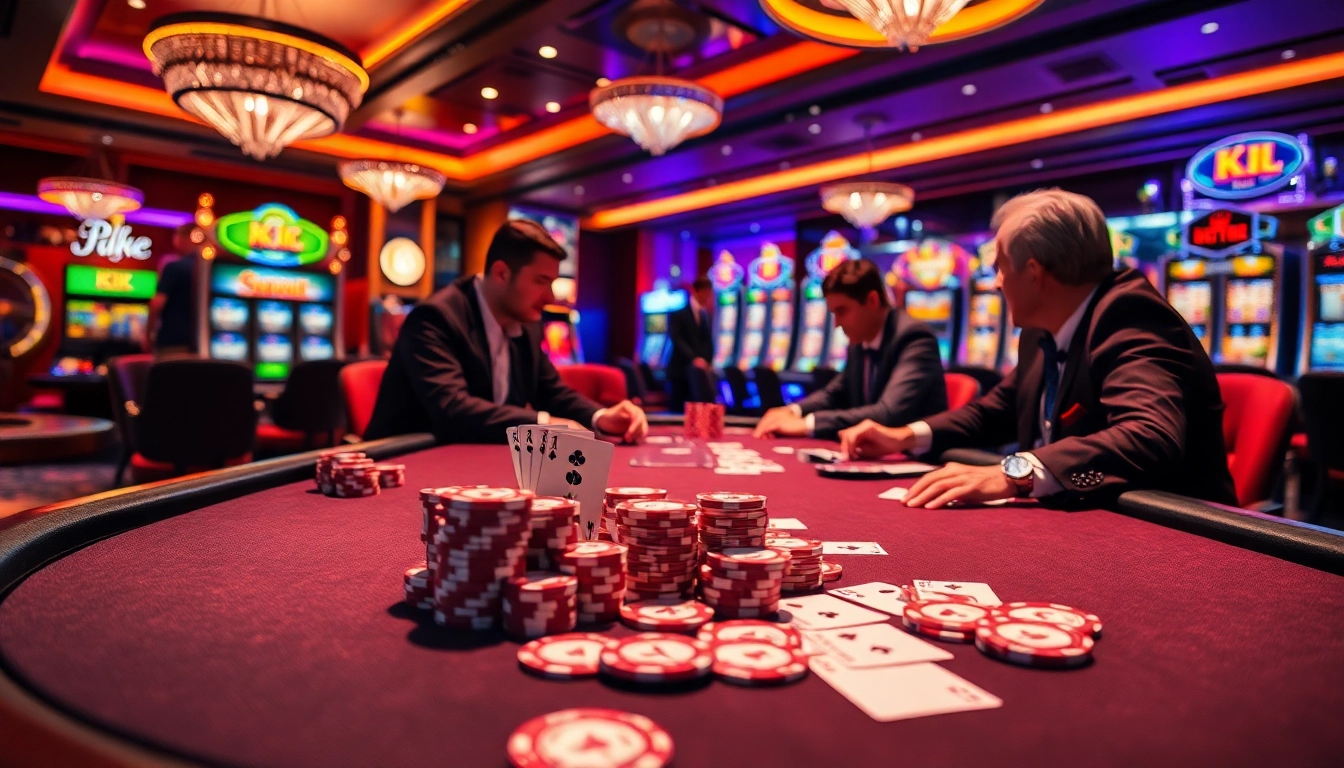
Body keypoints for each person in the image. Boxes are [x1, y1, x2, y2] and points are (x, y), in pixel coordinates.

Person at [838, 189, 1236, 508]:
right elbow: (996, 411)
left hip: (1174, 538)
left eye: (1000, 267)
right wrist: (903, 435)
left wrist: (1016, 472)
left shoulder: (1128, 314)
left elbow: (1150, 436)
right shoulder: (1040, 330)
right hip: (1083, 519)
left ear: (1033, 273)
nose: (995, 283)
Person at [364, 220, 648, 445]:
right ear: (501, 274)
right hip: (403, 463)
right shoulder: (435, 318)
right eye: (541, 281)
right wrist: (545, 425)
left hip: (471, 464)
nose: (550, 296)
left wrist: (600, 417)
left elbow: (551, 392)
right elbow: (453, 408)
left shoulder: (527, 323)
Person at [753, 258, 947, 440]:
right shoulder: (859, 341)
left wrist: (806, 424)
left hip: (919, 462)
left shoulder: (913, 337)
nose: (836, 324)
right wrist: (793, 411)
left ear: (872, 300)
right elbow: (833, 394)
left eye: (842, 311)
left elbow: (888, 413)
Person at [148, 223, 199, 356]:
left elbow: (157, 304)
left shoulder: (174, 267)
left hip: (172, 343)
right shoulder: (208, 270)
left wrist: (148, 334)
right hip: (202, 344)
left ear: (183, 238)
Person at [667, 276, 715, 409]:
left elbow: (707, 342)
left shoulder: (705, 315)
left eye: (709, 293)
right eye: (705, 292)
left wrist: (708, 361)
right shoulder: (678, 314)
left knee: (697, 412)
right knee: (678, 413)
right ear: (696, 291)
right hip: (680, 371)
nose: (707, 296)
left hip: (699, 372)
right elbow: (677, 340)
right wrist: (694, 359)